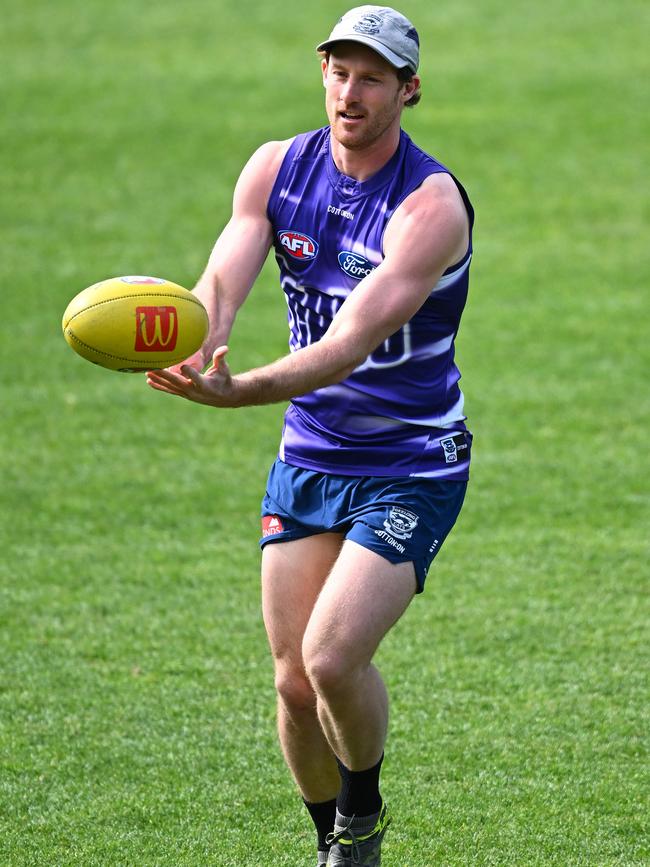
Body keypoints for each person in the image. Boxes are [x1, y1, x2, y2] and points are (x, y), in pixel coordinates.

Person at [147, 5, 474, 865]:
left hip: (411, 462)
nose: (351, 90)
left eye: (373, 77)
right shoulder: (276, 168)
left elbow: (345, 346)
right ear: (321, 70)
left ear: (409, 89)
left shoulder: (430, 207)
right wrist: (193, 333)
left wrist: (235, 392)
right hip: (310, 458)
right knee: (292, 683)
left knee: (332, 658)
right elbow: (223, 273)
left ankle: (362, 818)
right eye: (339, 70)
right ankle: (332, 845)